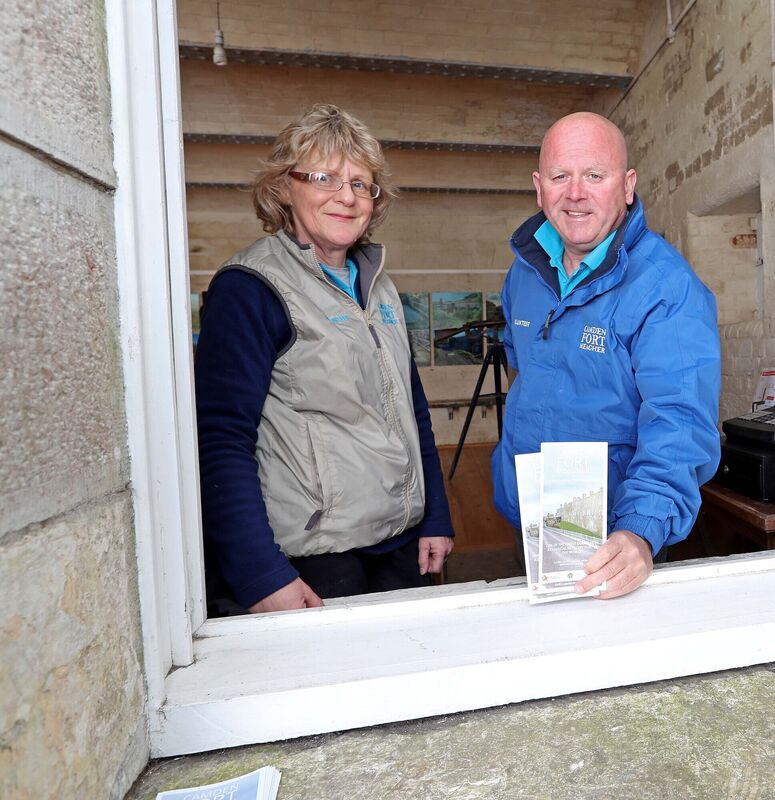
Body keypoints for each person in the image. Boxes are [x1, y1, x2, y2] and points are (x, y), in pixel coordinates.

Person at [195, 104, 454, 616]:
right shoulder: (251, 288)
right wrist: (260, 573)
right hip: (314, 562)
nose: (347, 196)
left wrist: (436, 517)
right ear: (284, 188)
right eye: (325, 177)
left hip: (398, 546)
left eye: (361, 183)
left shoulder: (379, 286)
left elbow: (412, 412)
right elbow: (219, 437)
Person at [491, 111, 721, 599]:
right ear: (539, 187)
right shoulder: (523, 274)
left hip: (617, 539)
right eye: (560, 176)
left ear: (627, 184)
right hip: (530, 516)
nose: (576, 193)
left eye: (595, 175)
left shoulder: (667, 289)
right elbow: (524, 368)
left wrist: (641, 530)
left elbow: (679, 421)